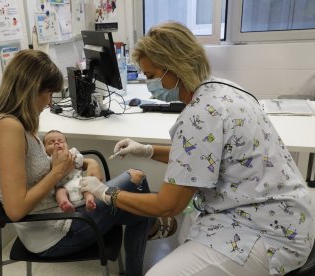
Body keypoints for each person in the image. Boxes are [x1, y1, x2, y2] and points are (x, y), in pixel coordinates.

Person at [80, 21, 314, 276]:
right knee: (189, 231)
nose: (149, 84)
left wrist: (107, 193)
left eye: (151, 75)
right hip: (291, 213)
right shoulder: (226, 88)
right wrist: (147, 150)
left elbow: (168, 205)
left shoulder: (199, 115)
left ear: (175, 67)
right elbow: (202, 157)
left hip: (266, 231)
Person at [0, 49, 175, 276]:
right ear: (31, 90)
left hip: (62, 211)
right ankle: (154, 225)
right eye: (48, 93)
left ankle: (142, 244)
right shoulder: (9, 130)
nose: (49, 101)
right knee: (136, 177)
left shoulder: (16, 124)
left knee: (138, 209)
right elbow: (15, 210)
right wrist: (57, 173)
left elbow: (44, 167)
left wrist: (88, 162)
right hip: (55, 232)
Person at [43, 130, 96, 212]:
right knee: (59, 192)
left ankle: (89, 200)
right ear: (45, 149)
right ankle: (65, 203)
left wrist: (73, 158)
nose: (57, 143)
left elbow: (80, 161)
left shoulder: (72, 152)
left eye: (61, 141)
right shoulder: (47, 160)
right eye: (51, 142)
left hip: (78, 182)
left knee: (87, 187)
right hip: (63, 186)